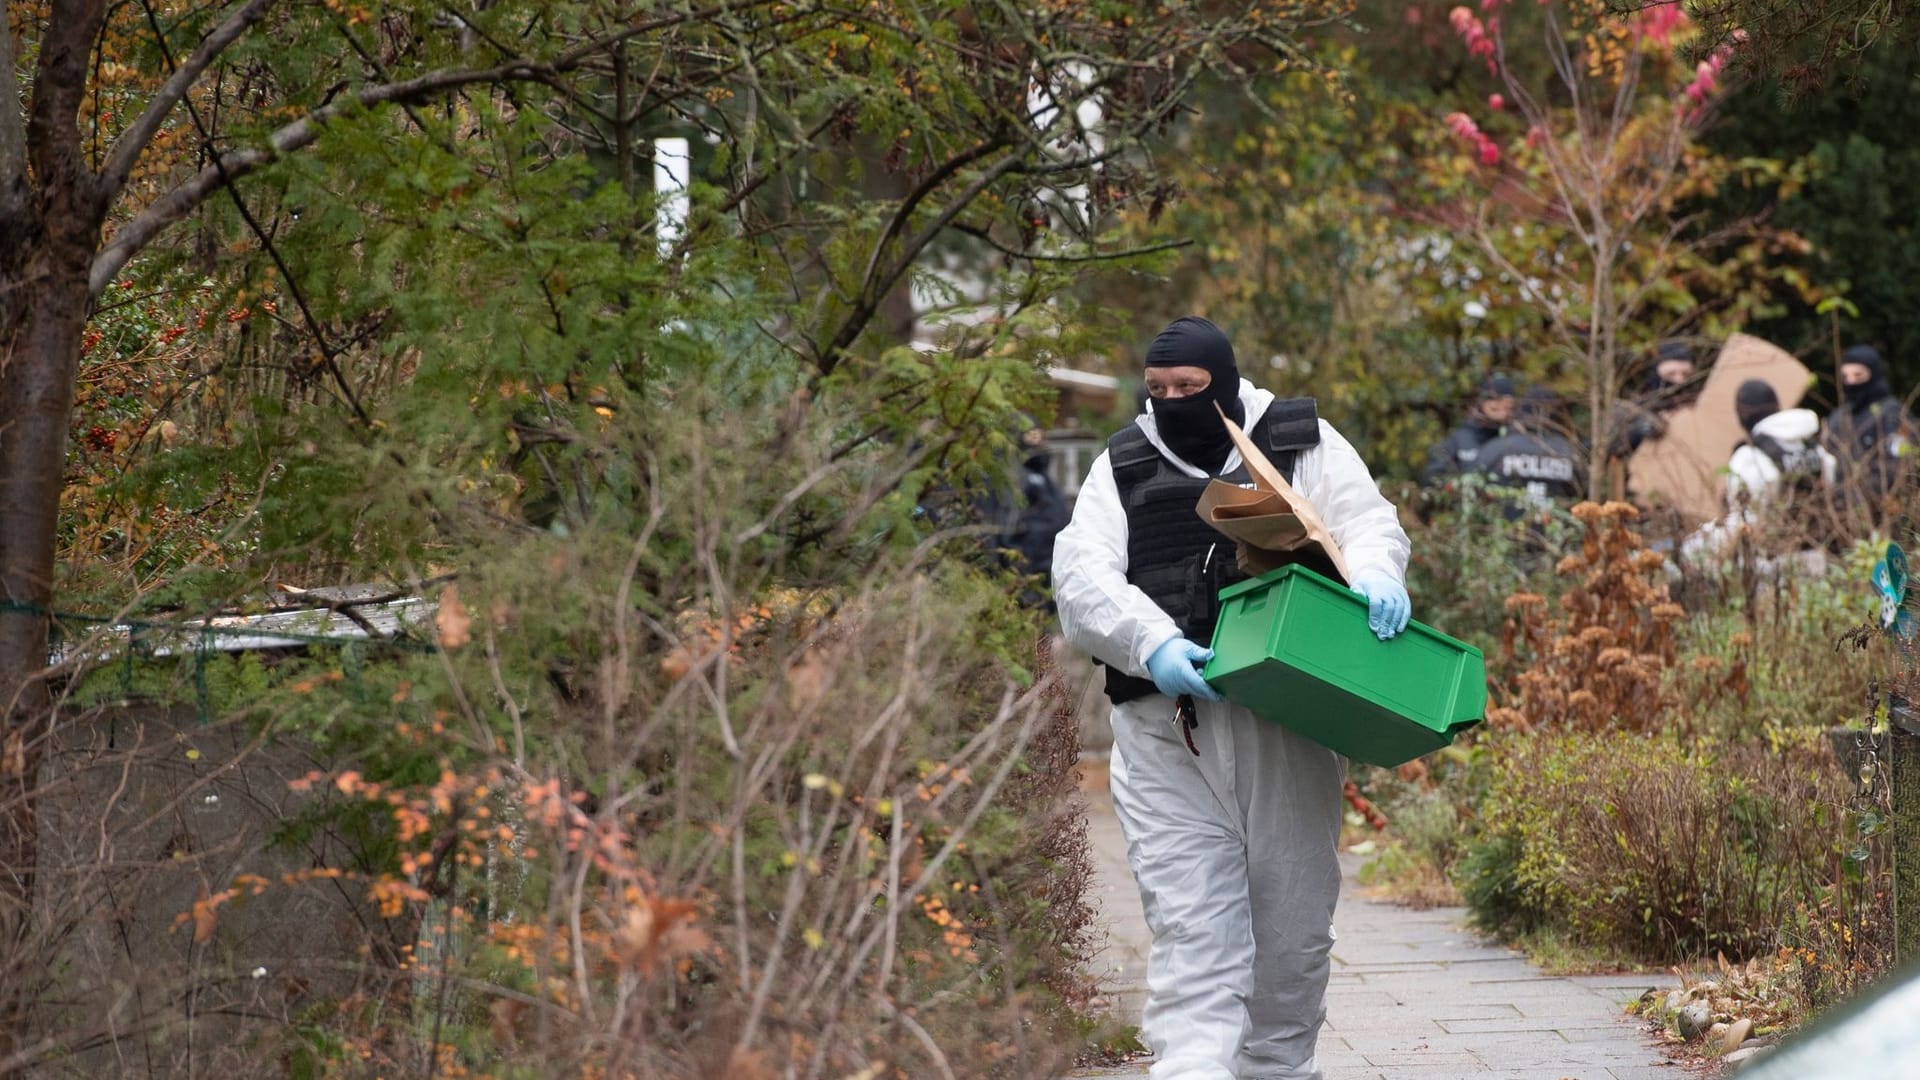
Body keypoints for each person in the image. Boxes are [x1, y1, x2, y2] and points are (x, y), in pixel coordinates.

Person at [1053, 315, 1412, 1080]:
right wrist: (1151, 643)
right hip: (1162, 727)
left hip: (1284, 720)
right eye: (1158, 389)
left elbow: (1365, 520)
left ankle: (1278, 1067)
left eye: (1190, 387)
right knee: (1192, 921)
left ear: (1225, 378)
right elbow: (1081, 576)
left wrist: (1378, 571)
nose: (1173, 400)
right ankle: (1193, 1069)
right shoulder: (1122, 464)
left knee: (1293, 919)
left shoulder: (1298, 440)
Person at [1682, 379, 1836, 559]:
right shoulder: (1813, 446)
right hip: (1818, 553)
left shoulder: (1750, 456)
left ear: (1741, 413)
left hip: (1773, 561)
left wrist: (1700, 546)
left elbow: (1747, 521)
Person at [1825, 344, 1915, 506]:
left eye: (1858, 375)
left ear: (1873, 375)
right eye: (1846, 377)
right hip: (1839, 510)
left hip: (1880, 509)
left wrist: (1859, 498)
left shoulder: (1892, 415)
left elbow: (1899, 466)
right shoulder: (1838, 418)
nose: (1851, 382)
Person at [1474, 387, 1583, 510]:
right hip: (1558, 526)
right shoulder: (1570, 452)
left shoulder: (1495, 449)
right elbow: (1584, 494)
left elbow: (1473, 489)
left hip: (1503, 527)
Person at [1610, 339, 1698, 460]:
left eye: (1685, 374)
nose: (1679, 380)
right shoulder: (1634, 409)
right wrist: (1638, 430)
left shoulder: (1697, 402)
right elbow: (1610, 447)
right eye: (1671, 374)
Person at [1422, 374, 1514, 485]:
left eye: (1507, 404)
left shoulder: (1515, 440)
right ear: (1482, 403)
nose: (1501, 409)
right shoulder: (1459, 439)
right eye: (1494, 401)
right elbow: (1433, 477)